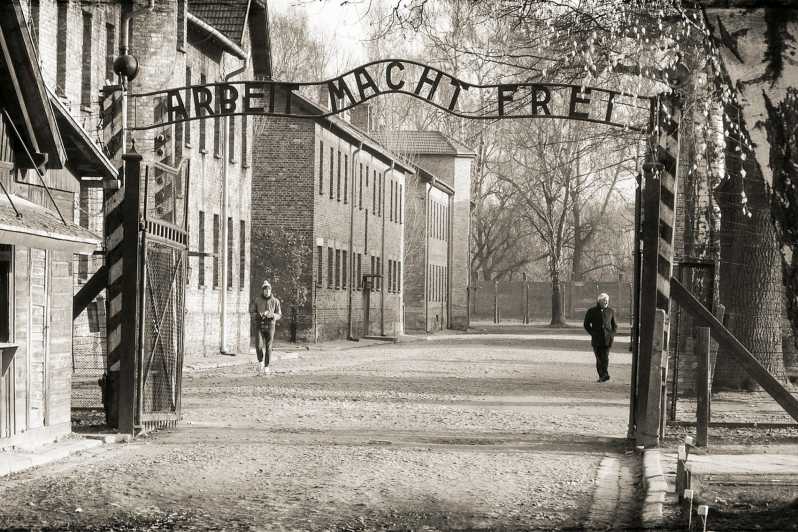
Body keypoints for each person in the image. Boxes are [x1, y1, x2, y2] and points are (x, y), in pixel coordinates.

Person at [583, 293, 617, 383]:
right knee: (599, 358)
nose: (606, 302)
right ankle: (602, 375)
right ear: (599, 301)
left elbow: (615, 326)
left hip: (607, 339)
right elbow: (586, 324)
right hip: (597, 340)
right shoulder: (591, 311)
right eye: (604, 300)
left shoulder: (611, 311)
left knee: (605, 358)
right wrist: (593, 333)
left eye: (607, 300)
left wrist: (611, 335)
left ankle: (604, 375)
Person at [250, 280, 282, 374]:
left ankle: (267, 366)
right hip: (259, 324)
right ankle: (260, 362)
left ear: (271, 290)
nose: (267, 291)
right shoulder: (257, 300)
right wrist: (259, 314)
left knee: (268, 347)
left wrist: (272, 315)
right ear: (262, 290)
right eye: (265, 289)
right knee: (258, 345)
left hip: (270, 325)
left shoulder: (276, 301)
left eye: (268, 289)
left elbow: (279, 315)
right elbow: (252, 312)